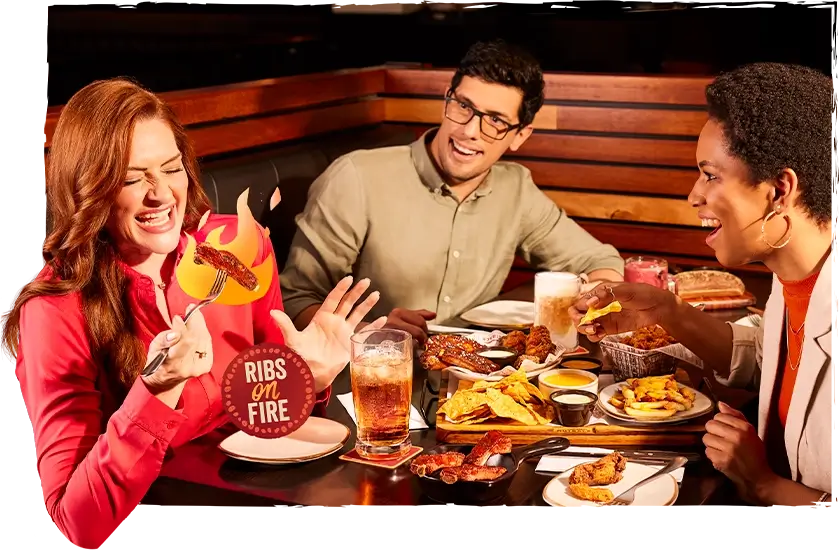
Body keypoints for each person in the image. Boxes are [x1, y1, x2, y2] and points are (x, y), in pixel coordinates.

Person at [0, 78, 387, 549]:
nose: (161, 194)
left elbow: (259, 421)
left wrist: (308, 378)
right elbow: (78, 524)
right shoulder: (53, 308)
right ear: (89, 186)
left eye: (171, 168)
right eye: (131, 177)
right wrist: (155, 392)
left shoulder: (238, 246)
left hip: (253, 515)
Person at [570, 62, 838, 512]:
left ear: (778, 190)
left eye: (710, 175)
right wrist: (666, 313)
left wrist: (765, 486)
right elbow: (774, 359)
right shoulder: (795, 281)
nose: (695, 195)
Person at [280, 39, 624, 343]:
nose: (471, 131)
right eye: (464, 107)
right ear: (448, 99)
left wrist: (592, 303)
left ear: (520, 135)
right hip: (369, 383)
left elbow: (599, 261)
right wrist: (371, 333)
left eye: (496, 121)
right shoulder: (356, 177)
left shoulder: (516, 189)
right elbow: (295, 297)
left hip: (473, 382)